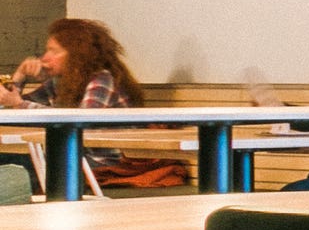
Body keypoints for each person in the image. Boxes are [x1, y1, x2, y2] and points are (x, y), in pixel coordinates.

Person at [0, 18, 185, 187]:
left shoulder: (102, 79)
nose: (44, 57)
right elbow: (11, 109)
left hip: (102, 163)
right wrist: (19, 76)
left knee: (13, 178)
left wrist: (19, 104)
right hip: (73, 157)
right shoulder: (61, 82)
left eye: (54, 51)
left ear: (77, 55)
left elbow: (82, 121)